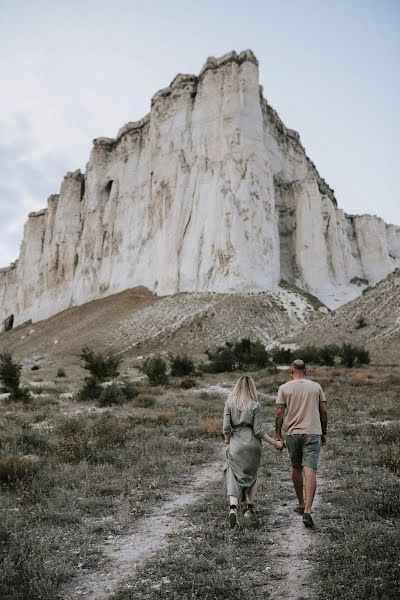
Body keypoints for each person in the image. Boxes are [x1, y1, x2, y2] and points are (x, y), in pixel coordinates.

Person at [223, 374, 284, 529]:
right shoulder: (255, 405)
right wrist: (275, 443)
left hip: (236, 444)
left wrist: (227, 439)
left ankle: (233, 507)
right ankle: (249, 509)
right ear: (252, 388)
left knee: (233, 475)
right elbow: (258, 431)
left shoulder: (229, 403)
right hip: (252, 445)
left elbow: (226, 428)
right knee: (252, 476)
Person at [275, 359, 327, 528]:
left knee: (296, 468)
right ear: (306, 370)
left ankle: (300, 503)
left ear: (292, 371)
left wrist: (277, 434)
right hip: (313, 432)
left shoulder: (284, 388)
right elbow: (323, 411)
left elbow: (279, 413)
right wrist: (324, 432)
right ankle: (308, 511)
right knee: (310, 469)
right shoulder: (316, 386)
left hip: (293, 433)